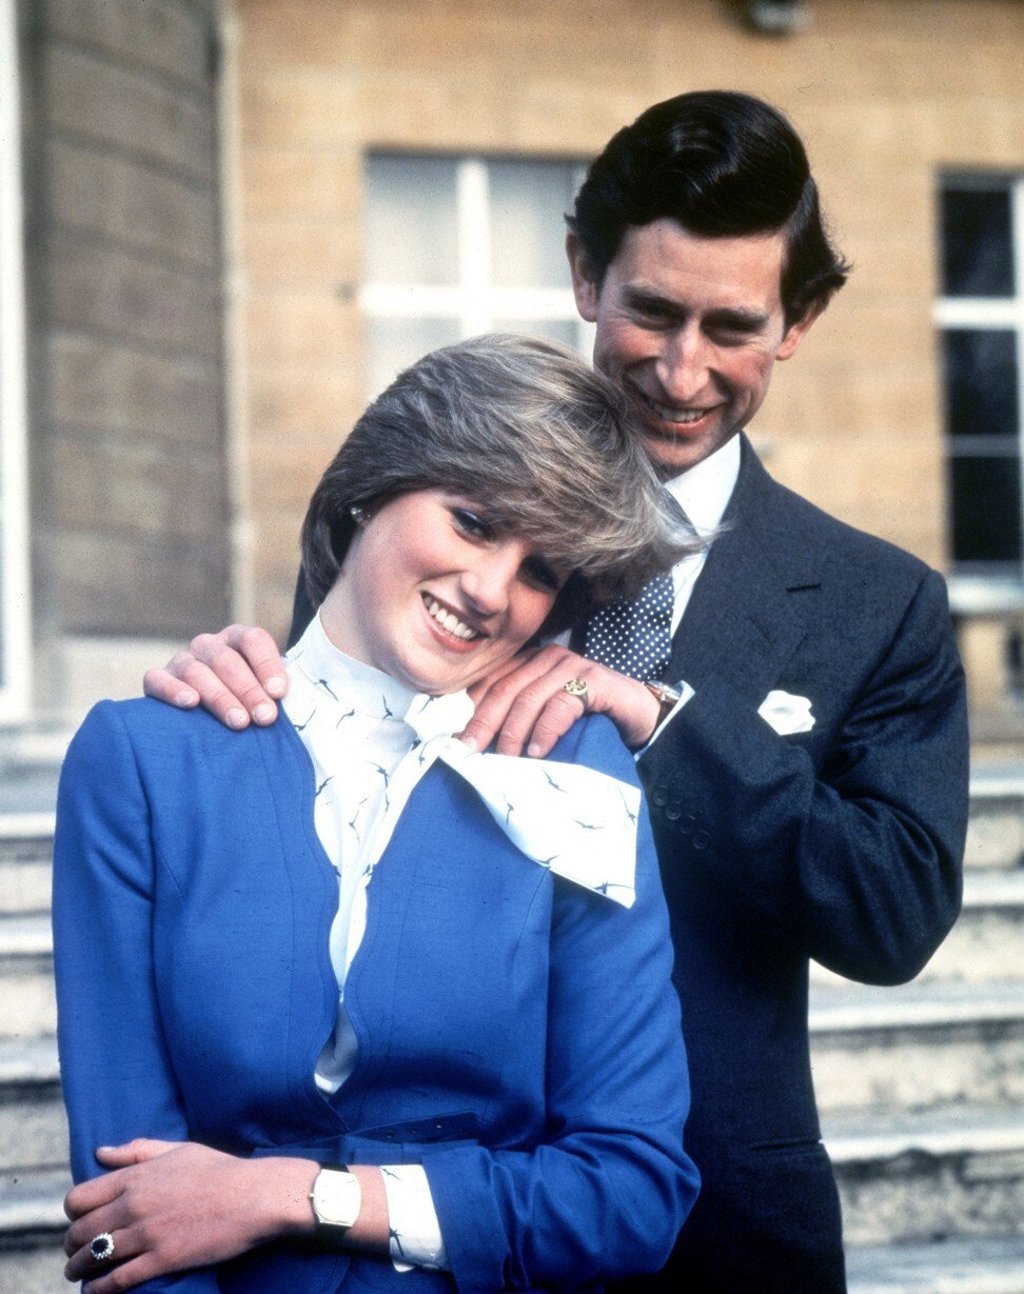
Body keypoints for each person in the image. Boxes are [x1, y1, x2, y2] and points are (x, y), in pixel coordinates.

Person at [141, 92, 970, 1290]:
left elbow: (892, 914)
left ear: (800, 320)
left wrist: (663, 722)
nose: (682, 371)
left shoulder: (874, 600)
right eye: (651, 311)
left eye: (731, 326)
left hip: (727, 1222)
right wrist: (228, 693)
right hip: (427, 1221)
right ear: (585, 273)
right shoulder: (445, 534)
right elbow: (316, 785)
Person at [54, 334, 701, 1294]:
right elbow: (126, 1206)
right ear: (371, 488)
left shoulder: (575, 766)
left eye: (540, 572)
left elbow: (630, 1192)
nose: (492, 594)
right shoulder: (143, 761)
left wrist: (292, 1195)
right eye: (475, 522)